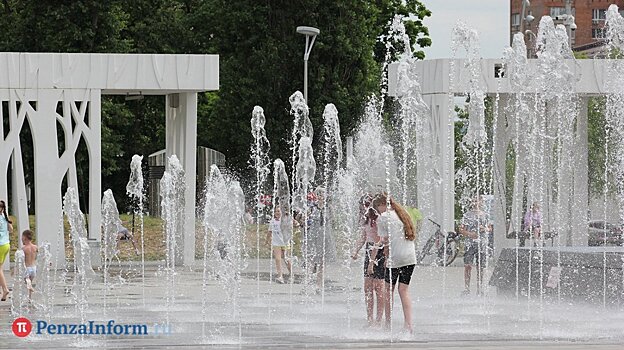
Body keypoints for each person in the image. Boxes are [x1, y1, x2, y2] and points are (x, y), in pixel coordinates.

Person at [372, 193, 417, 333]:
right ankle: (408, 325)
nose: (377, 211)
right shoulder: (402, 213)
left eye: (377, 207)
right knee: (404, 291)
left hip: (396, 259)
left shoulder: (384, 217)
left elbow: (384, 241)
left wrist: (380, 253)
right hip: (410, 258)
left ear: (382, 205)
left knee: (388, 291)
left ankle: (388, 324)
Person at [352, 194, 385, 327]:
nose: (363, 208)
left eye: (365, 205)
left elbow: (380, 239)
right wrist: (355, 250)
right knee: (367, 287)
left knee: (378, 287)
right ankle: (369, 318)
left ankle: (378, 319)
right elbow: (363, 236)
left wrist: (372, 262)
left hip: (380, 250)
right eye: (362, 206)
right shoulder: (366, 219)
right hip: (369, 249)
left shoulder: (379, 219)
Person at [303, 186, 336, 293]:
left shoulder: (329, 208)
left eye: (323, 194)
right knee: (311, 260)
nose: (321, 196)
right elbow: (304, 217)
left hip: (325, 234)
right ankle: (307, 284)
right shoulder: (312, 207)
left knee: (322, 262)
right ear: (316, 196)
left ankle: (319, 285)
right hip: (314, 233)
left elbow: (332, 220)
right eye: (319, 194)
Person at [458, 196, 490, 296]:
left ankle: (479, 289)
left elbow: (490, 228)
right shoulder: (467, 215)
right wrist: (470, 234)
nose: (475, 202)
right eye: (473, 201)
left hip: (482, 243)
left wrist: (484, 229)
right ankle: (467, 288)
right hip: (469, 244)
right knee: (468, 266)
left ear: (480, 202)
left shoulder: (485, 215)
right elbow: (461, 229)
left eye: (477, 201)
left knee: (480, 267)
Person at [267, 207, 291, 284]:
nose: (277, 213)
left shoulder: (285, 220)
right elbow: (269, 232)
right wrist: (267, 240)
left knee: (286, 259)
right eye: (276, 211)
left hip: (285, 242)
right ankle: (280, 276)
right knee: (277, 259)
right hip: (276, 243)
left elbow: (292, 225)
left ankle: (291, 273)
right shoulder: (272, 222)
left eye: (279, 211)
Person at [0, 200, 13, 301]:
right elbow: (11, 230)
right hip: (6, 245)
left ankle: (5, 289)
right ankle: (3, 292)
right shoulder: (5, 217)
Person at [21, 229, 38, 300]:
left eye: (22, 237)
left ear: (25, 237)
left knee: (27, 280)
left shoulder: (24, 248)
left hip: (27, 268)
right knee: (30, 281)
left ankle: (30, 287)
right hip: (34, 268)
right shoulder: (35, 247)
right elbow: (42, 255)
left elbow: (20, 260)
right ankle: (29, 299)